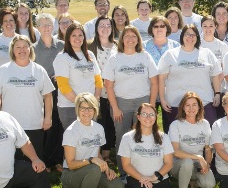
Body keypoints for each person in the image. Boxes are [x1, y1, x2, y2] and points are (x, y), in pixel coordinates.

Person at [104, 25, 159, 176]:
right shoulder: (115, 58)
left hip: (143, 101)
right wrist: (115, 108)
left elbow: (154, 82)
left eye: (133, 36)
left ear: (138, 39)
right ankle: (124, 173)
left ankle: (141, 170)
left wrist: (152, 105)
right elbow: (108, 86)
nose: (130, 39)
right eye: (126, 36)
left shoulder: (145, 56)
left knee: (142, 135)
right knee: (122, 138)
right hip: (121, 102)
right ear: (122, 39)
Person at [61, 93, 125, 188]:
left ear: (95, 110)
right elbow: (71, 164)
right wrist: (91, 161)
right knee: (94, 168)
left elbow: (97, 154)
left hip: (92, 170)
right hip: (71, 174)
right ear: (77, 109)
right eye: (82, 108)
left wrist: (107, 168)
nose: (86, 112)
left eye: (90, 108)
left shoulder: (99, 128)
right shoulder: (71, 131)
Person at [0, 35, 54, 164]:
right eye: (18, 47)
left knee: (35, 161)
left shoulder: (39, 70)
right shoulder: (3, 70)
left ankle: (35, 183)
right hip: (10, 126)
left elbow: (48, 95)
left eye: (25, 46)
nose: (22, 50)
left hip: (34, 124)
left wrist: (48, 118)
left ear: (30, 49)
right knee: (13, 163)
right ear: (12, 50)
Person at [158, 24, 222, 130]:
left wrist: (217, 94)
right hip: (176, 104)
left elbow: (215, 74)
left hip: (204, 102)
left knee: (209, 134)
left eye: (193, 35)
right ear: (182, 36)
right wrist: (162, 99)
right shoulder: (170, 55)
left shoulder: (207, 53)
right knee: (177, 137)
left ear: (197, 37)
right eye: (187, 34)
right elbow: (161, 78)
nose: (190, 37)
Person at [118, 103, 174, 188]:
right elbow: (126, 165)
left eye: (151, 114)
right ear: (138, 117)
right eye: (144, 114)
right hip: (137, 178)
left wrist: (154, 177)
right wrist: (143, 179)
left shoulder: (164, 137)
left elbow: (169, 164)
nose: (148, 117)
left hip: (159, 178)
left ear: (156, 116)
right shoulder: (128, 137)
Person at [167, 92, 216, 188]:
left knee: (209, 184)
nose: (191, 108)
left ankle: (193, 182)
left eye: (194, 105)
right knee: (188, 162)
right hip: (178, 164)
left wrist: (207, 164)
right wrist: (198, 157)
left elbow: (208, 148)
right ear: (182, 107)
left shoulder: (204, 124)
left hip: (197, 163)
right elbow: (175, 152)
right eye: (187, 105)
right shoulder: (176, 125)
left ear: (199, 107)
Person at [53, 23, 103, 130]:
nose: (77, 38)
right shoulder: (62, 57)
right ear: (68, 38)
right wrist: (81, 105)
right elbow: (63, 86)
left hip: (90, 107)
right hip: (70, 107)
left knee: (90, 139)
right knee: (74, 142)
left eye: (80, 35)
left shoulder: (90, 55)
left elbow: (98, 81)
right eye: (73, 35)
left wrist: (94, 101)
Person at [33, 12, 66, 170]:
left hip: (60, 91)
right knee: (43, 126)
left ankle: (57, 159)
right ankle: (43, 160)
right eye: (42, 24)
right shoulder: (33, 49)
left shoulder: (61, 45)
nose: (46, 28)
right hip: (40, 93)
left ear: (53, 27)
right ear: (37, 27)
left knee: (58, 125)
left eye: (49, 24)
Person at [87, 16, 117, 163]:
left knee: (110, 124)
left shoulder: (118, 46)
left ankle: (107, 154)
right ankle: (96, 153)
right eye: (101, 26)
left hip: (114, 92)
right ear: (96, 28)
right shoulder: (90, 47)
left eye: (108, 25)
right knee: (98, 124)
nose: (105, 28)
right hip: (96, 93)